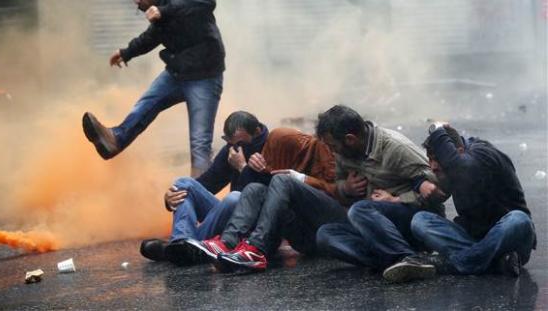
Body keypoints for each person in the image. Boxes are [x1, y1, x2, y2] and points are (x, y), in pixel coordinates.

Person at [82, 0, 225, 176]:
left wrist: (164, 11)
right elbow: (151, 38)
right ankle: (115, 139)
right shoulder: (157, 14)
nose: (137, 0)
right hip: (177, 73)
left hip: (205, 78)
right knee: (145, 105)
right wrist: (126, 52)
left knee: (199, 144)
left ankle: (199, 196)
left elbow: (208, 1)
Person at [383, 123, 536, 283]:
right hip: (474, 240)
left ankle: (449, 264)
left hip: (510, 241)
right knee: (420, 220)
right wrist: (402, 196)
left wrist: (437, 129)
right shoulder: (450, 168)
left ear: (459, 152)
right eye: (430, 159)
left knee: (519, 219)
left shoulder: (483, 155)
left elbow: (462, 166)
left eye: (436, 160)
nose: (432, 166)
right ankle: (494, 264)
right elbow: (433, 193)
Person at [315, 105, 449, 280]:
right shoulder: (344, 153)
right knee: (326, 235)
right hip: (375, 228)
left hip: (413, 218)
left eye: (333, 146)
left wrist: (398, 199)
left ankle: (408, 259)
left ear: (350, 139)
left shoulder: (394, 148)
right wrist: (346, 187)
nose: (332, 151)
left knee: (360, 210)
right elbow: (339, 181)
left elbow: (438, 190)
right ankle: (393, 261)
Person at [185, 127, 344, 272]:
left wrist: (301, 178)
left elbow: (338, 193)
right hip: (302, 234)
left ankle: (255, 248)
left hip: (328, 231)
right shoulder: (240, 151)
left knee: (281, 180)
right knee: (255, 189)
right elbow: (217, 184)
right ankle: (227, 243)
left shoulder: (333, 153)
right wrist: (249, 170)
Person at [139, 111, 269, 266]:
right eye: (231, 142)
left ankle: (179, 248)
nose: (236, 148)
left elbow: (269, 197)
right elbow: (205, 184)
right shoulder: (231, 149)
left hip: (251, 226)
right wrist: (169, 198)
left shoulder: (272, 145)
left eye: (240, 143)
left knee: (234, 198)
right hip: (229, 221)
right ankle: (181, 243)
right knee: (184, 183)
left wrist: (243, 168)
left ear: (256, 132)